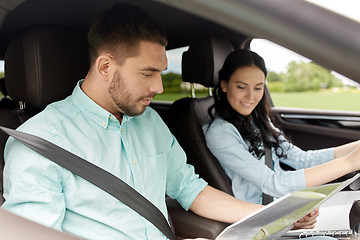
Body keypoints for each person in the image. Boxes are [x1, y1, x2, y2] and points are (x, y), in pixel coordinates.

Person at [1, 4, 333, 240]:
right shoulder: (39, 142)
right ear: (105, 67)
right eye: (148, 73)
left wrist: (275, 217)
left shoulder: (149, 123)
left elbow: (192, 191)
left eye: (161, 71)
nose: (159, 87)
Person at [203, 49, 360, 206]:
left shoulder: (257, 119)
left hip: (286, 202)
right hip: (263, 213)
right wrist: (349, 163)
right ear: (224, 85)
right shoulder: (220, 133)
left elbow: (302, 159)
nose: (250, 96)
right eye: (241, 87)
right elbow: (273, 184)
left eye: (258, 88)